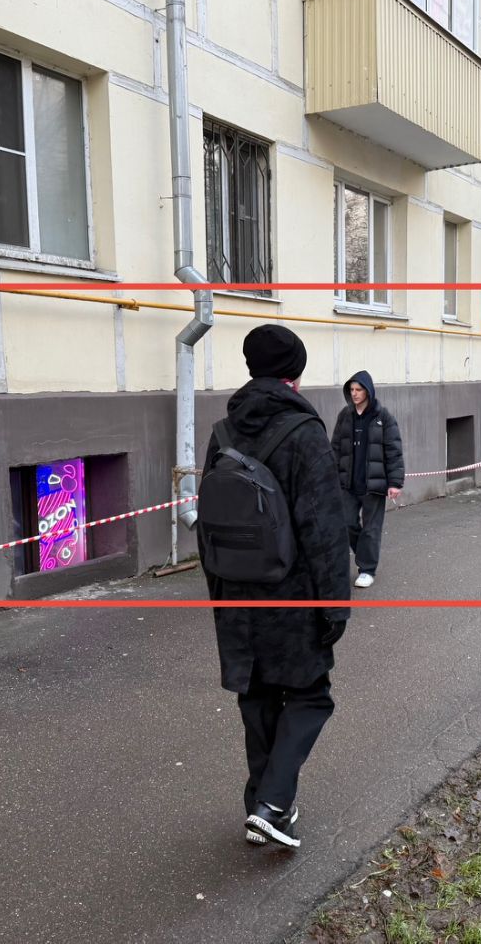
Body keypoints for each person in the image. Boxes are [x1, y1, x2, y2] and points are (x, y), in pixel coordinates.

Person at [199, 324, 352, 850]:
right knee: (311, 696)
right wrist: (335, 606)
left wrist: (219, 596)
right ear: (295, 373)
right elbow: (324, 528)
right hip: (292, 595)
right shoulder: (305, 432)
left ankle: (262, 809)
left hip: (236, 593)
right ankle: (272, 802)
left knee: (258, 699)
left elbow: (208, 525)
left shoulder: (223, 432)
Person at [330, 371, 405, 589]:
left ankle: (367, 570)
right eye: (351, 390)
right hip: (348, 484)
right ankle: (364, 555)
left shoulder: (383, 417)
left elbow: (393, 450)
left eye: (359, 390)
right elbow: (335, 448)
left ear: (368, 391)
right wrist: (332, 477)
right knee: (347, 523)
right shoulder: (345, 415)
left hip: (374, 485)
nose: (354, 394)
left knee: (371, 529)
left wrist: (395, 483)